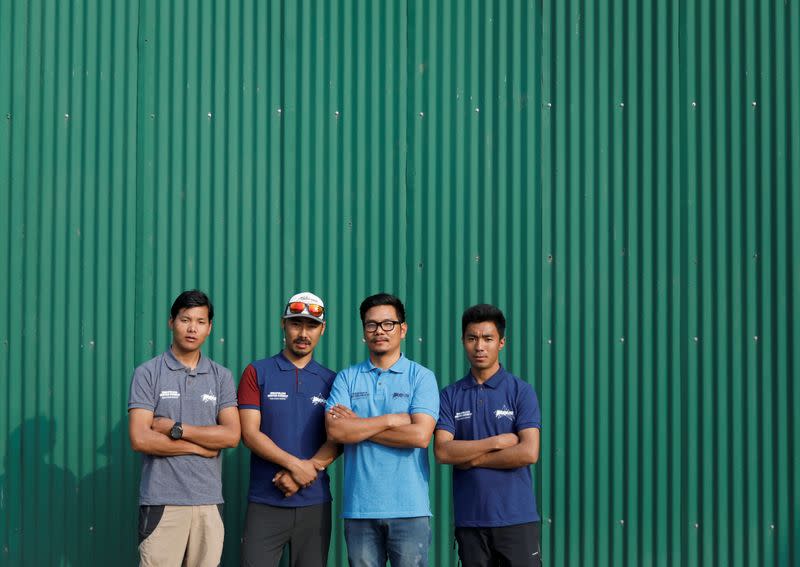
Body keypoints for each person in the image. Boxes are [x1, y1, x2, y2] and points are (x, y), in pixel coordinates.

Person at [128, 289, 241, 567]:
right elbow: (140, 438)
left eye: (201, 322)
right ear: (171, 322)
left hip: (208, 503)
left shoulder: (221, 376)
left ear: (210, 327)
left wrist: (176, 429)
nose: (192, 328)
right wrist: (200, 448)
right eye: (185, 319)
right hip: (162, 501)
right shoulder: (148, 373)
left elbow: (231, 435)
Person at [325, 292, 439, 567]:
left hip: (409, 509)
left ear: (403, 329)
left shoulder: (421, 377)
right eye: (371, 324)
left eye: (388, 324)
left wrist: (358, 426)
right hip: (360, 508)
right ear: (364, 331)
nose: (380, 331)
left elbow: (420, 436)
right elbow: (336, 432)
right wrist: (390, 420)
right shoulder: (347, 377)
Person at [237, 291, 340, 566]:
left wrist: (302, 474)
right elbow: (249, 433)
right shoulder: (257, 373)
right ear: (283, 324)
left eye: (311, 326)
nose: (303, 333)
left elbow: (338, 437)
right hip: (265, 500)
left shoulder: (332, 380)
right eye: (296, 324)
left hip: (314, 504)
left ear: (322, 329)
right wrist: (296, 466)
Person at [434, 304, 542, 567]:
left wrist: (471, 459)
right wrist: (497, 442)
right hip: (471, 521)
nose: (479, 346)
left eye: (487, 338)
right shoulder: (450, 395)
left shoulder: (521, 391)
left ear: (501, 343)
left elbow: (528, 452)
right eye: (472, 338)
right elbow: (443, 451)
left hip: (517, 519)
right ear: (463, 341)